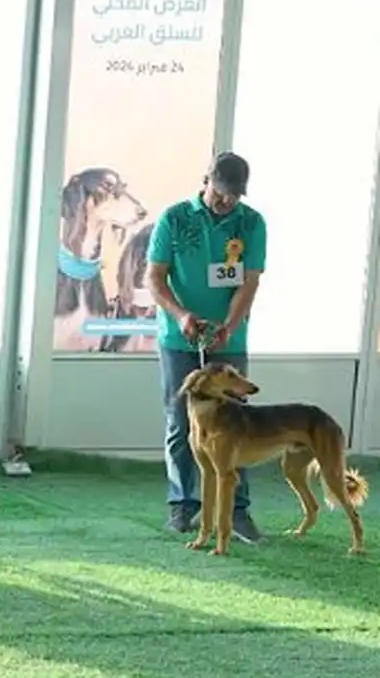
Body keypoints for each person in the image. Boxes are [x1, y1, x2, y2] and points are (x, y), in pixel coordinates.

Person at [148, 151, 265, 541]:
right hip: (179, 339)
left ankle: (237, 510)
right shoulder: (174, 218)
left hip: (228, 339)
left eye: (235, 194)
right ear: (206, 181)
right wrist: (181, 315)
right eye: (221, 191)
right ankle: (183, 505)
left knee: (237, 420)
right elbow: (154, 277)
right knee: (181, 421)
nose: (227, 200)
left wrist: (229, 326)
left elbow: (249, 281)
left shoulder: (251, 223)